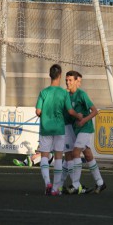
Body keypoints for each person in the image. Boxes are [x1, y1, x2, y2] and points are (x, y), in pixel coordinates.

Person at [36, 64, 82, 196]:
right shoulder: (63, 93)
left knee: (44, 156)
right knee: (58, 158)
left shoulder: (43, 92)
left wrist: (42, 113)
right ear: (60, 75)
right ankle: (56, 188)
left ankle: (47, 184)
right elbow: (70, 111)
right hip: (59, 128)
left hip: (46, 128)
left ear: (49, 75)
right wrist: (78, 115)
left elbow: (38, 111)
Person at [65, 71, 106, 195]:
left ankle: (75, 184)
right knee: (88, 155)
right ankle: (100, 182)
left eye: (70, 80)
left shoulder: (82, 94)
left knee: (75, 152)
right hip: (76, 129)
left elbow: (95, 111)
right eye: (66, 80)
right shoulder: (67, 95)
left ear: (76, 82)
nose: (68, 82)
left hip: (85, 128)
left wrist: (83, 120)